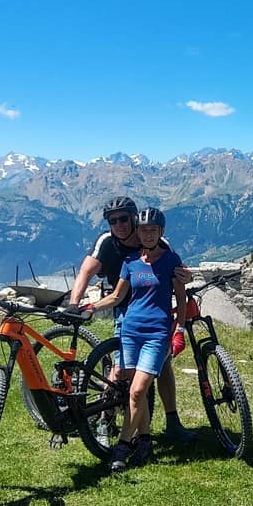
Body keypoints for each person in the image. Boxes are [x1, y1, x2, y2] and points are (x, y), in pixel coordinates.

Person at [69, 196, 196, 442]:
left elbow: (177, 275)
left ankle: (171, 422)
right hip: (125, 311)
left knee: (163, 366)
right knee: (120, 372)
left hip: (155, 315)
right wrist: (76, 304)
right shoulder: (107, 242)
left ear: (134, 219)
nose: (119, 225)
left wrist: (186, 280)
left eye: (124, 219)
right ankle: (106, 422)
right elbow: (86, 271)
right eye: (113, 221)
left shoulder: (156, 240)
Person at [91, 207, 186, 471]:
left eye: (152, 230)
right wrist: (91, 308)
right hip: (130, 332)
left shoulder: (171, 260)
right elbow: (117, 297)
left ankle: (121, 448)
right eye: (143, 230)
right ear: (139, 231)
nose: (147, 234)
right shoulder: (130, 261)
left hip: (157, 334)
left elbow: (181, 299)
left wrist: (179, 331)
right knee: (136, 392)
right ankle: (144, 441)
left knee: (136, 391)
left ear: (161, 232)